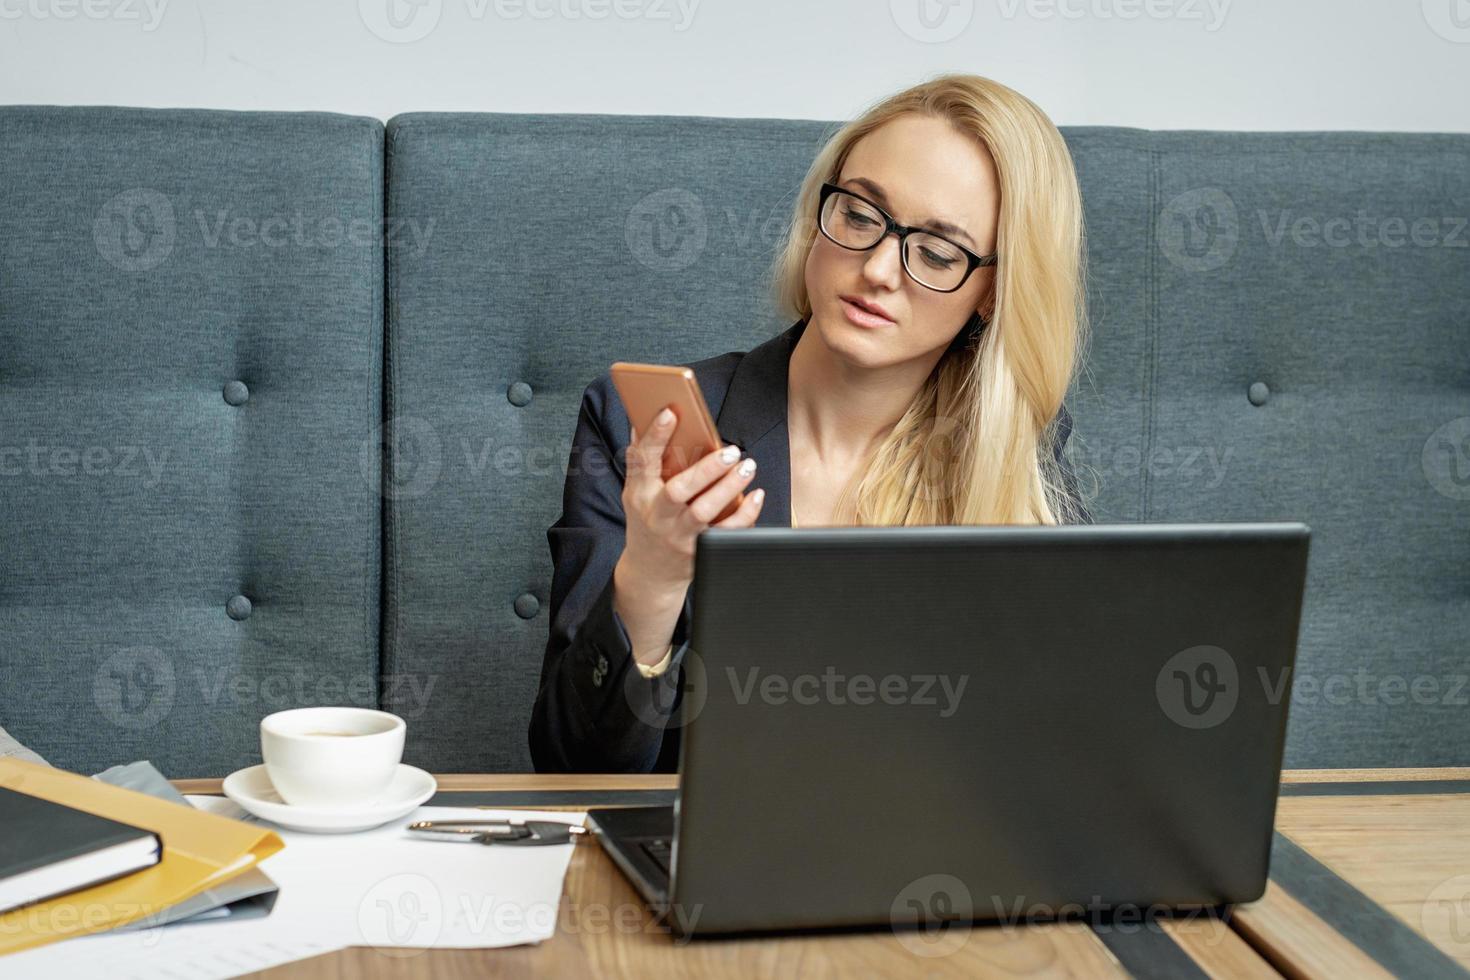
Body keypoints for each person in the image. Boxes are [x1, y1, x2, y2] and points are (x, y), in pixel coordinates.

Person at [530, 73, 1090, 773]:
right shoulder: (645, 428)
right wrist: (651, 578)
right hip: (701, 866)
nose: (880, 269)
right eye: (860, 215)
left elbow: (1056, 753)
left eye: (939, 254)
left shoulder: (1013, 455)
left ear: (993, 293)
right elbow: (572, 768)